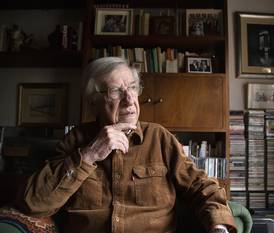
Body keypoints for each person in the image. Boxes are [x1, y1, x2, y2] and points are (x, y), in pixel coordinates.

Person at [15, 57, 237, 233]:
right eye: (115, 91)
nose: (130, 99)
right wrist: (89, 155)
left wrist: (218, 227)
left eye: (132, 87)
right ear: (94, 101)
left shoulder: (159, 138)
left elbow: (203, 188)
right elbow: (34, 202)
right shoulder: (75, 140)